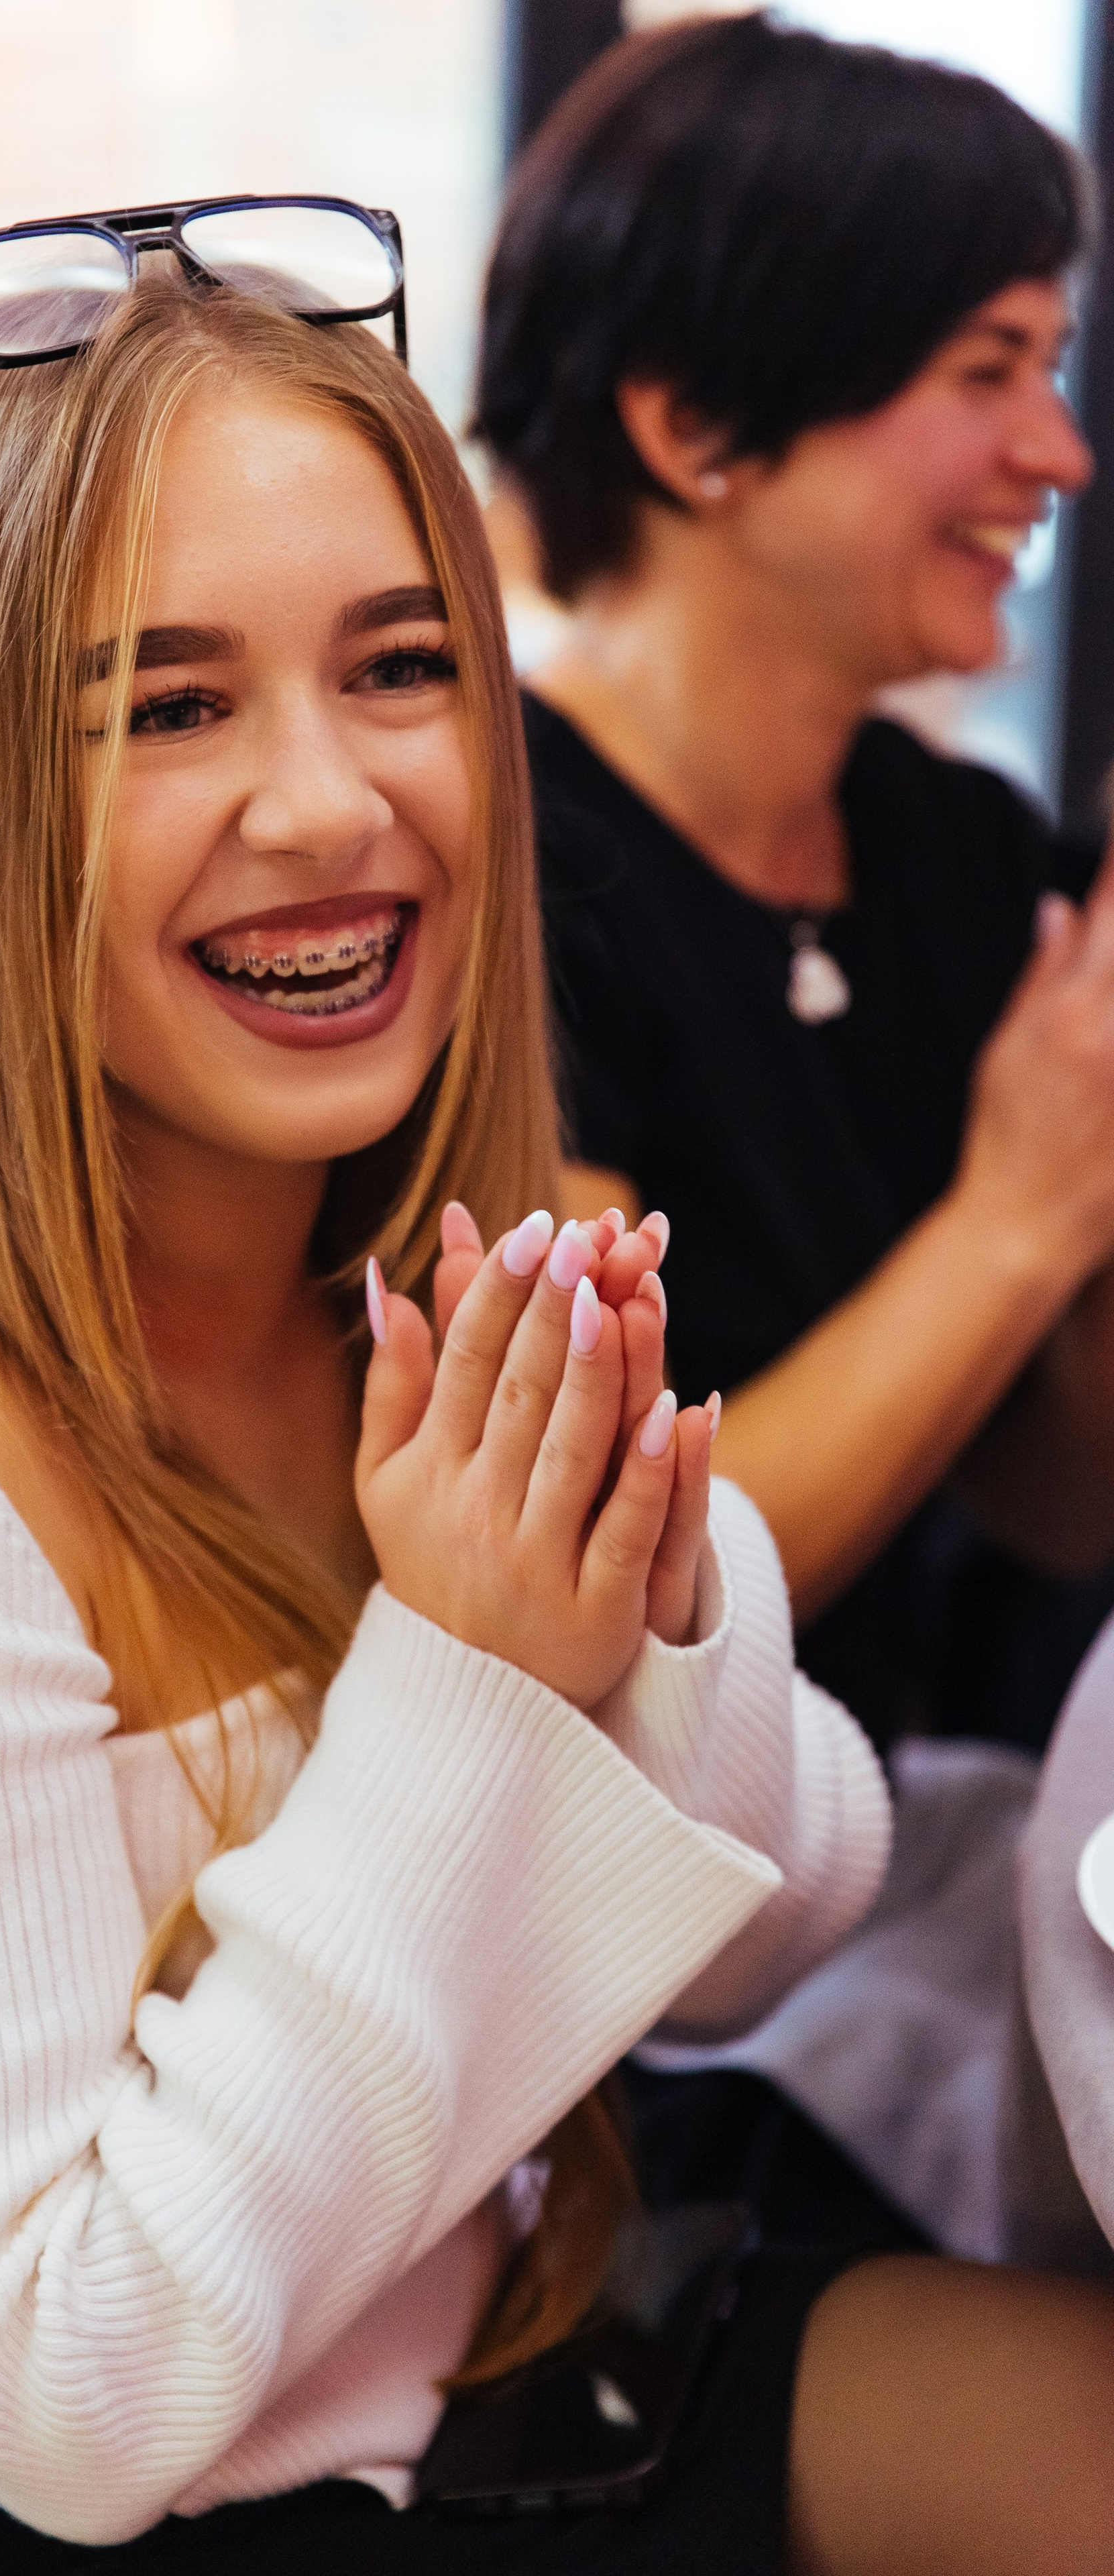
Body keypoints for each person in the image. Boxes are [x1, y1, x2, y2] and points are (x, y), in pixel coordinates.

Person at [0, 242, 1114, 2573]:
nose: (327, 802)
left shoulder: (395, 1287)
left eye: (400, 668)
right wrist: (471, 1672)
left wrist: (639, 1616)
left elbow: (779, 1927)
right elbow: (75, 2401)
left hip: (476, 2356)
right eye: (169, 707)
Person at [476, 13, 1114, 1764]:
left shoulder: (951, 845)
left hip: (886, 1815)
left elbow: (1049, 1505)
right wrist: (1018, 1214)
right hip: (611, 1870)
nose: (1060, 455)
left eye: (1053, 369)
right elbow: (602, 1600)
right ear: (696, 422)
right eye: (987, 371)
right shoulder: (489, 869)